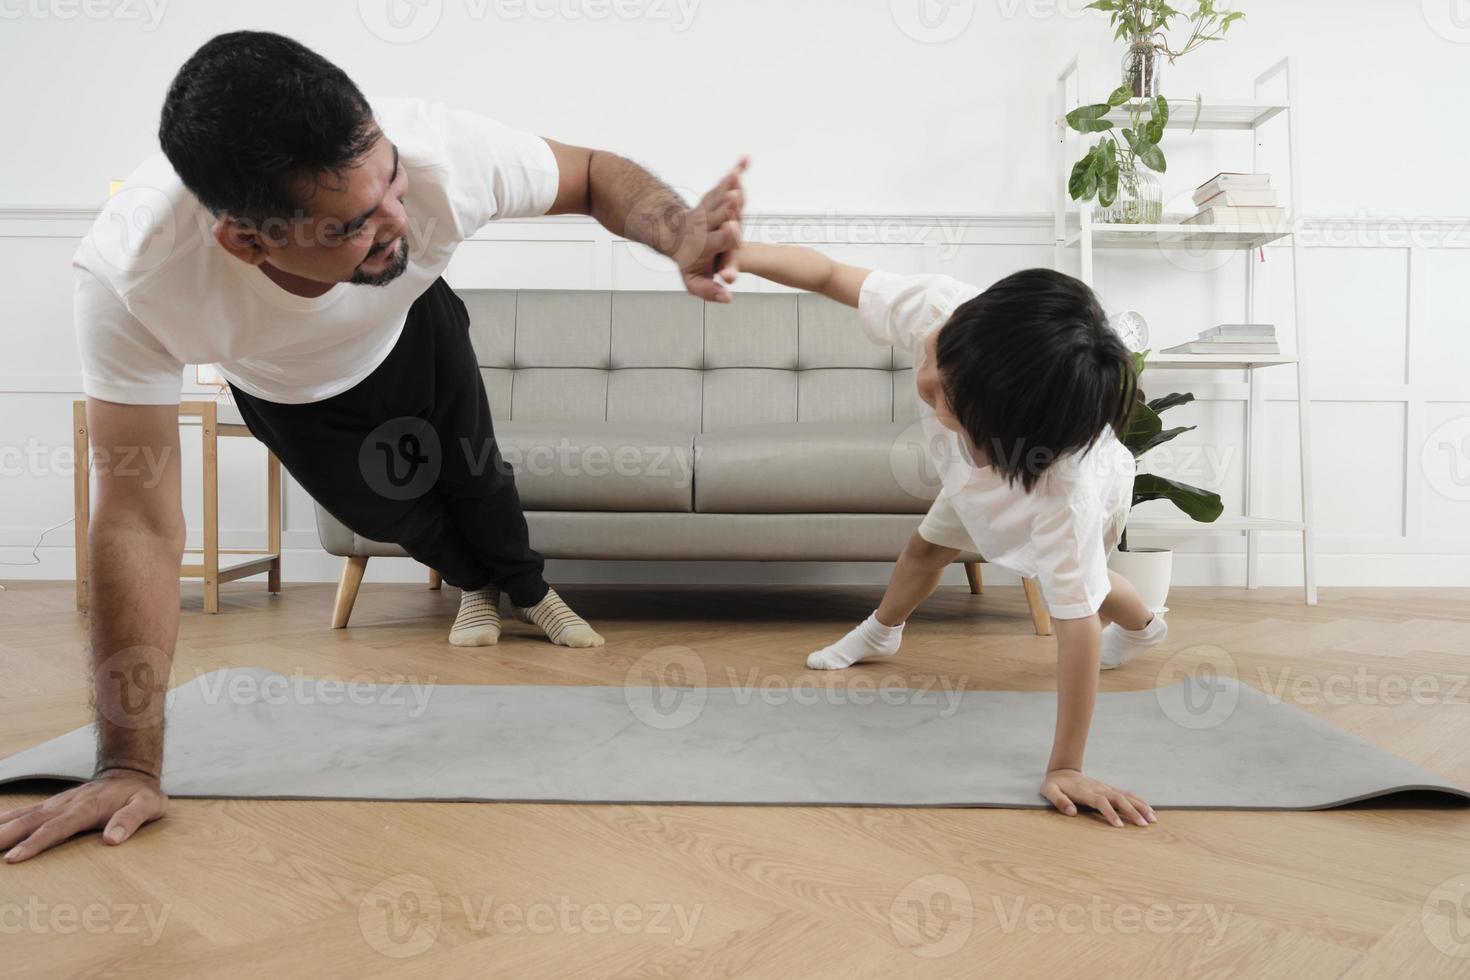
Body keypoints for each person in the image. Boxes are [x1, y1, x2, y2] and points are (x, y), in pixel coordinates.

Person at [0, 30, 745, 863]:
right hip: (296, 397)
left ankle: (531, 593)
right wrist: (127, 765)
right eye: (354, 224)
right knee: (402, 514)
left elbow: (596, 173)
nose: (399, 221)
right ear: (248, 241)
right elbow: (136, 520)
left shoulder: (439, 154)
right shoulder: (131, 276)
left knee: (474, 472)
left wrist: (675, 228)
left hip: (418, 327)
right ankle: (473, 584)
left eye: (391, 180)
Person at [733, 243, 1168, 828]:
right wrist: (735, 251)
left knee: (1081, 586)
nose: (925, 381)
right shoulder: (948, 312)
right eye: (936, 361)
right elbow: (831, 274)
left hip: (1038, 488)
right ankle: (880, 633)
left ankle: (1145, 629)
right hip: (977, 479)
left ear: (998, 429)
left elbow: (1077, 626)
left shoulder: (1065, 497)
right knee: (925, 548)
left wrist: (1066, 767)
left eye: (946, 398)